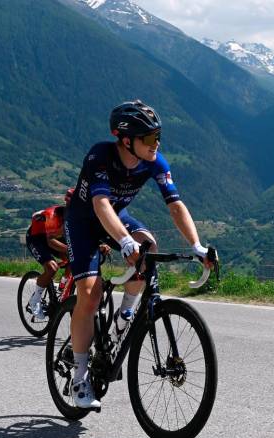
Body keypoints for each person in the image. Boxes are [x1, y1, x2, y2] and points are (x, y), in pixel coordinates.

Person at [64, 99, 214, 409]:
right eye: (149, 138)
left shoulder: (154, 161)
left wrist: (197, 245)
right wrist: (123, 241)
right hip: (83, 222)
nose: (156, 143)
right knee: (90, 297)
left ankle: (125, 314)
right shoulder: (100, 156)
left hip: (116, 217)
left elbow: (175, 205)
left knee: (150, 246)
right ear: (126, 140)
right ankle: (78, 378)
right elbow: (100, 205)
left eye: (158, 135)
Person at [24, 188, 74, 320]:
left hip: (55, 237)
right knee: (52, 268)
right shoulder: (53, 215)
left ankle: (62, 287)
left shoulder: (77, 216)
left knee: (73, 259)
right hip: (37, 238)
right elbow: (50, 242)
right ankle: (34, 300)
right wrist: (70, 249)